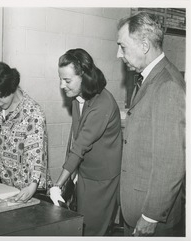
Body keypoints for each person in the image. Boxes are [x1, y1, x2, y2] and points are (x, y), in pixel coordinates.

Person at [117, 12, 186, 236]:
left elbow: (171, 162)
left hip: (151, 218)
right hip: (136, 209)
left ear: (144, 45)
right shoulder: (150, 79)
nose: (119, 54)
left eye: (123, 47)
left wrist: (151, 214)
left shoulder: (167, 85)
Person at [50, 48, 122, 236]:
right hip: (83, 172)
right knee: (79, 225)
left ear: (84, 76)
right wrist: (71, 175)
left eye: (67, 80)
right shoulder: (77, 98)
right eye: (60, 79)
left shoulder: (103, 103)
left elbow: (80, 146)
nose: (62, 85)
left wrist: (57, 185)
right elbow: (74, 138)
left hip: (101, 178)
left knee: (92, 230)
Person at [0, 62, 52, 202]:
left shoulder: (33, 113)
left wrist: (32, 186)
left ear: (10, 86)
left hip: (22, 191)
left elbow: (36, 154)